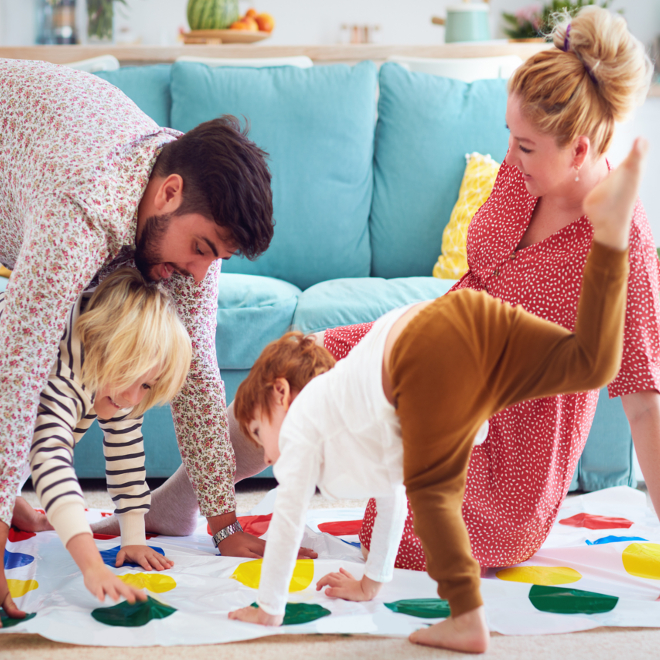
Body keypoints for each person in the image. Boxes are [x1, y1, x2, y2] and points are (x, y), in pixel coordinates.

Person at [227, 137, 648, 653]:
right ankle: (608, 240)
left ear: (281, 395)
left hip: (441, 353)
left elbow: (291, 512)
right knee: (592, 362)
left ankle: (467, 618)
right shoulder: (348, 411)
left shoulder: (308, 414)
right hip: (462, 334)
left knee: (430, 488)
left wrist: (269, 606)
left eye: (260, 435)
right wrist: (370, 584)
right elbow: (391, 494)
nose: (270, 455)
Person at [322, 6, 659, 572]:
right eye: (511, 135)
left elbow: (646, 408)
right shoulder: (524, 166)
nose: (512, 152)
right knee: (300, 363)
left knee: (398, 537)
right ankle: (184, 507)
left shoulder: (622, 247)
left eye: (526, 145)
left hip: (510, 458)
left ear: (579, 150)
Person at [0, 57, 275, 621]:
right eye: (201, 249)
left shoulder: (193, 213)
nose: (201, 273)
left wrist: (224, 523)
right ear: (168, 194)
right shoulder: (78, 213)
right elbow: (17, 369)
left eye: (215, 258)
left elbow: (197, 374)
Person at [2, 268, 191, 618]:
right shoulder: (65, 366)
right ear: (104, 348)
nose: (133, 397)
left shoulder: (114, 371)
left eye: (146, 386)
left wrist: (132, 537)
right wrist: (90, 564)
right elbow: (49, 456)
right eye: (130, 379)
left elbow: (126, 447)